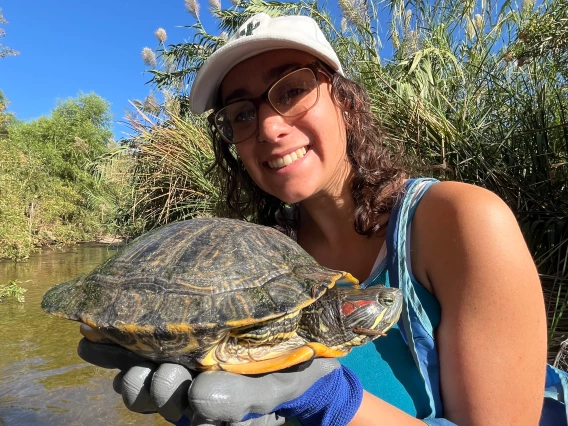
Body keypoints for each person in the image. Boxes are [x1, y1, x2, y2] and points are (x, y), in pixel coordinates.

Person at [79, 12, 567, 426]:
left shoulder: (460, 221)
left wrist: (331, 402)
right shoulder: (253, 260)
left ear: (347, 104)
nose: (269, 127)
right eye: (242, 114)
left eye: (291, 91)